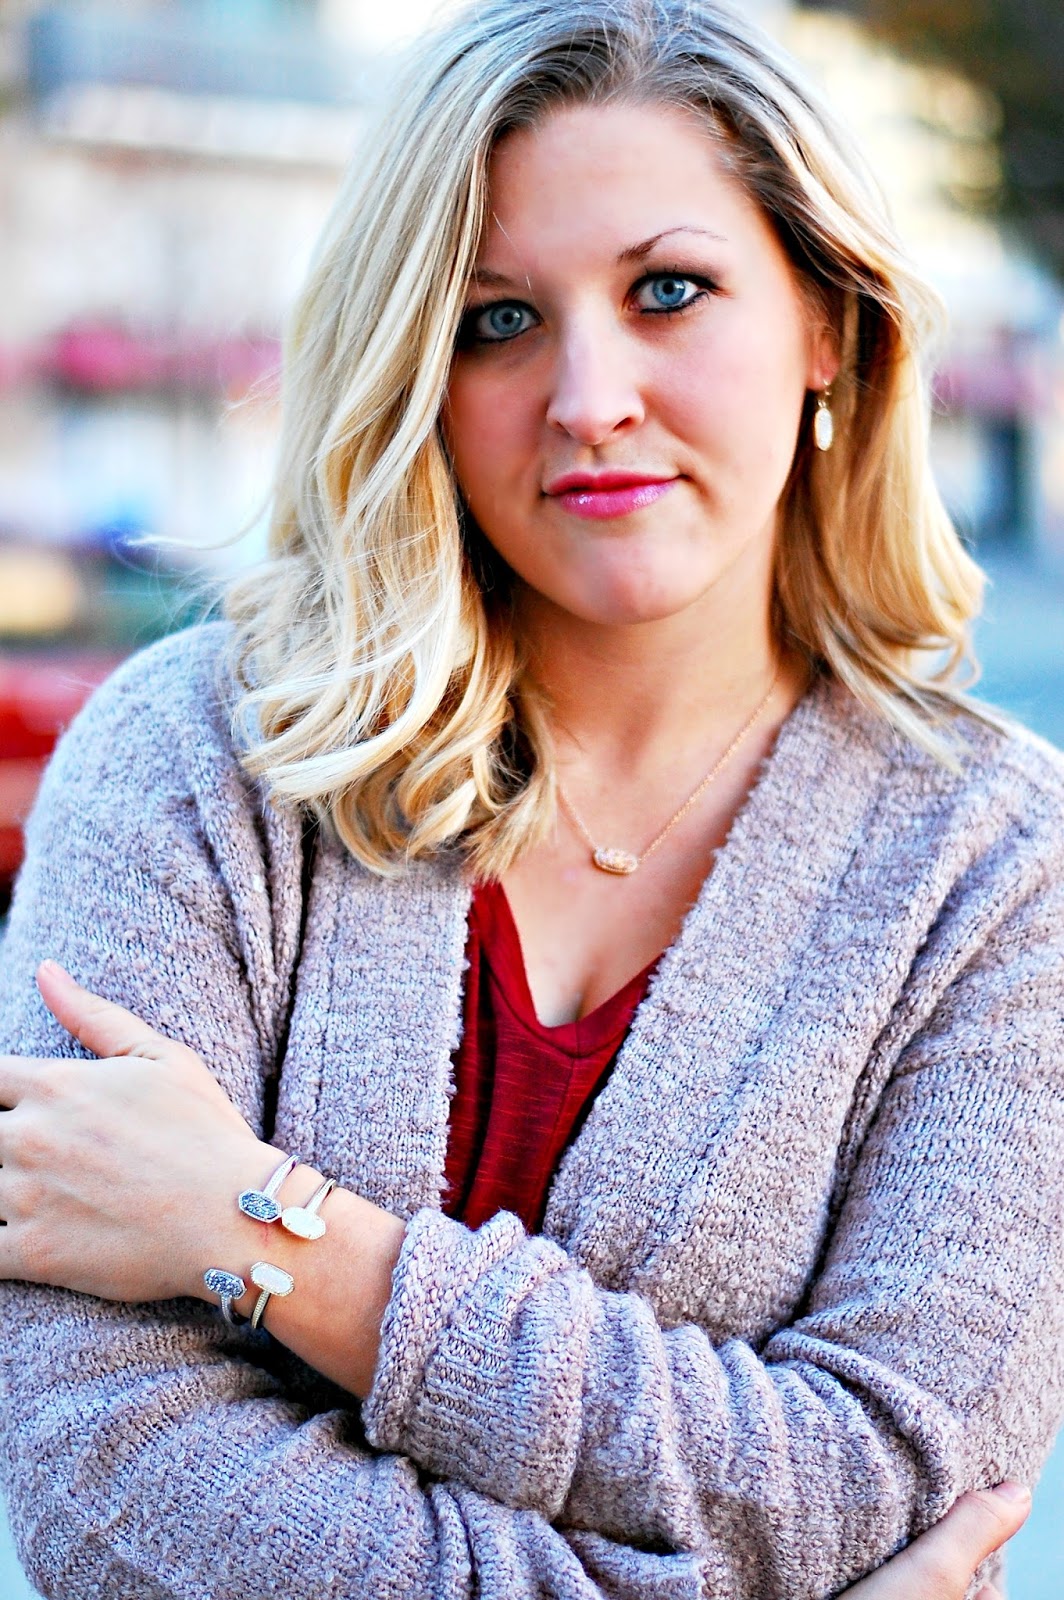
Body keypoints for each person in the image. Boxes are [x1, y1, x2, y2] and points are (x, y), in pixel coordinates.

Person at [0, 1, 1061, 1596]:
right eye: (496, 319)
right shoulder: (198, 761)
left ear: (828, 323)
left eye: (669, 291)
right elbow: (104, 1493)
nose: (588, 397)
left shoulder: (1001, 865)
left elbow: (891, 1475)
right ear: (415, 371)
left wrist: (270, 1235)